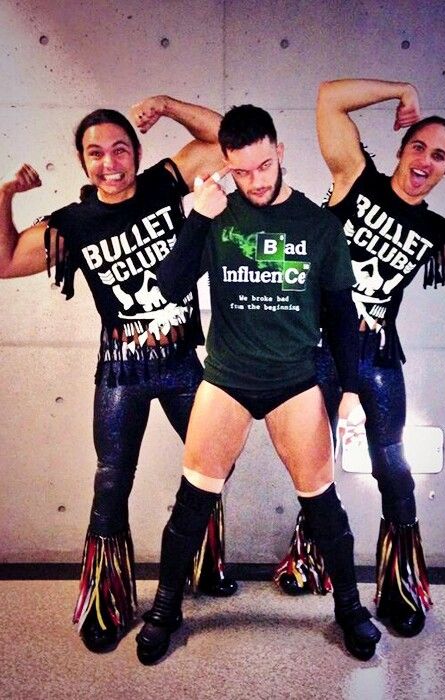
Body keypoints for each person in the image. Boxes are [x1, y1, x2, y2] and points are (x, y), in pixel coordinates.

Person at [134, 104, 382, 666]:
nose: (257, 180)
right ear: (226, 164)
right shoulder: (216, 214)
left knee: (324, 505)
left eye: (265, 165)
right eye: (243, 170)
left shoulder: (318, 227)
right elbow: (169, 286)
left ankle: (349, 610)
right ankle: (166, 608)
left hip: (295, 382)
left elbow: (342, 316)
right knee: (192, 502)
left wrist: (351, 392)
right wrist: (196, 215)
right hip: (226, 379)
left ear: (280, 152)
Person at [0, 94, 239, 654]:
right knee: (111, 483)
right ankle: (108, 603)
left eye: (120, 149)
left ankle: (197, 568)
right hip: (122, 373)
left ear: (137, 151)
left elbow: (228, 139)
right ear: (84, 163)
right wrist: (6, 194)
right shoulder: (72, 223)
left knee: (214, 466)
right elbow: (5, 262)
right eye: (96, 154)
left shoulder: (164, 184)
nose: (110, 163)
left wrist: (169, 105)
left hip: (183, 364)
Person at [276, 78, 445, 637]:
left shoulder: (434, 232)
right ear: (401, 150)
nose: (426, 160)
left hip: (375, 358)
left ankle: (399, 587)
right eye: (419, 147)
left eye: (440, 156)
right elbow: (327, 97)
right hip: (317, 349)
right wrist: (401, 89)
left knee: (393, 468)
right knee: (314, 464)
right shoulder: (356, 179)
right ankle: (312, 561)